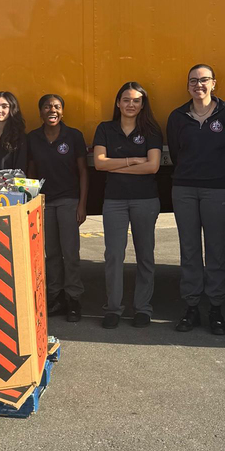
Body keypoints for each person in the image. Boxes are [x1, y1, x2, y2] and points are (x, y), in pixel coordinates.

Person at [166, 64, 225, 336]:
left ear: (214, 83)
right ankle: (191, 307)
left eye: (204, 80)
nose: (198, 85)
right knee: (189, 250)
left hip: (217, 190)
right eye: (193, 81)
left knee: (216, 250)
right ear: (188, 86)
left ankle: (216, 308)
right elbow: (176, 152)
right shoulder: (177, 116)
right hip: (184, 189)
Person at [93, 82, 163, 329]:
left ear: (142, 104)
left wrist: (116, 164)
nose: (130, 104)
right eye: (126, 100)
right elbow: (99, 164)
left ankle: (143, 308)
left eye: (136, 100)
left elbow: (153, 166)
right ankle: (113, 308)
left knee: (145, 254)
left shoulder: (151, 130)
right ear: (118, 103)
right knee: (113, 255)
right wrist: (133, 160)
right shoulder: (105, 129)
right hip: (114, 201)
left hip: (145, 200)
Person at [27, 94, 87, 322]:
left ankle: (74, 298)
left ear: (62, 111)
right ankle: (56, 297)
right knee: (51, 253)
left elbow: (83, 171)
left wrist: (82, 204)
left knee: (70, 253)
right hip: (44, 202)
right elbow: (31, 172)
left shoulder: (73, 136)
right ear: (40, 112)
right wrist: (33, 203)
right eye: (47, 107)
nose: (52, 110)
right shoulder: (33, 138)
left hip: (68, 201)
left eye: (57, 106)